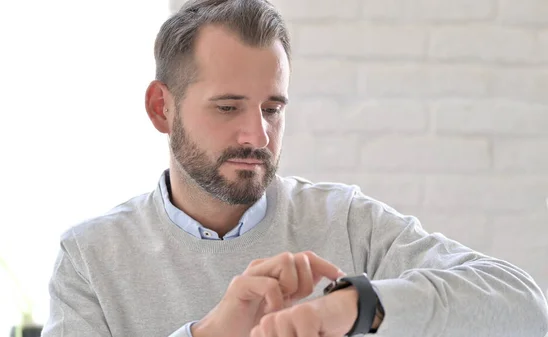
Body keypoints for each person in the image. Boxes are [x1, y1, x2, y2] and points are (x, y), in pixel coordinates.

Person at [41, 0, 548, 336]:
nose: (257, 136)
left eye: (272, 108)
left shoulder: (346, 220)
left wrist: (357, 305)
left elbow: (523, 306)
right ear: (161, 109)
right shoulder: (89, 258)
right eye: (228, 107)